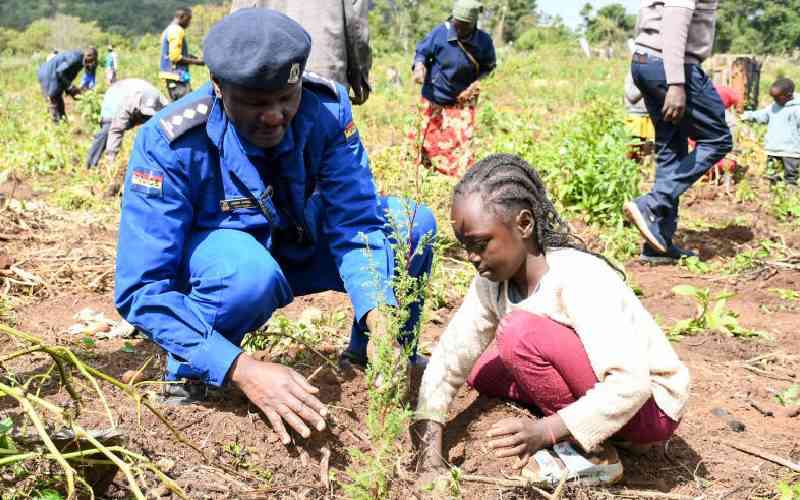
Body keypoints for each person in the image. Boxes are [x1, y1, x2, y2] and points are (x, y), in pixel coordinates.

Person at [114, 9, 436, 444]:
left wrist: (380, 318)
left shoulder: (324, 107)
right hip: (227, 270)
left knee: (408, 224)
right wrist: (241, 368)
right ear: (218, 88)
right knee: (247, 272)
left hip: (296, 244)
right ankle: (194, 369)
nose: (274, 116)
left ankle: (373, 361)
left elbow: (355, 220)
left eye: (287, 97)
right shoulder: (168, 143)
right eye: (255, 103)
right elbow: (142, 288)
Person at [412, 154, 689, 490]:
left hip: (648, 409)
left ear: (524, 224)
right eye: (465, 247)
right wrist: (429, 453)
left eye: (481, 244)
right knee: (481, 367)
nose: (472, 258)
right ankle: (575, 415)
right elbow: (448, 359)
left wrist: (547, 430)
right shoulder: (491, 283)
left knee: (517, 335)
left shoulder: (578, 278)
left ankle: (597, 454)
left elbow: (632, 384)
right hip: (599, 383)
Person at [624, 1, 733, 264]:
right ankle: (652, 202)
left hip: (648, 61)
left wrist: (641, 75)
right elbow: (674, 21)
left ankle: (657, 243)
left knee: (671, 149)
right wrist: (675, 83)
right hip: (672, 66)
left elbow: (646, 23)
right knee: (718, 139)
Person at [410, 0, 496, 176]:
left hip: (462, 98)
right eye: (457, 23)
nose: (459, 28)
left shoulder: (483, 41)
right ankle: (421, 169)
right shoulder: (441, 33)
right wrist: (419, 67)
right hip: (434, 94)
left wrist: (475, 85)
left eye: (464, 25)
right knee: (423, 137)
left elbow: (489, 67)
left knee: (459, 141)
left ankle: (454, 175)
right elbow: (422, 53)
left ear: (473, 24)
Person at [229, 0, 372, 105]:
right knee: (324, 138)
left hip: (269, 78)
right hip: (326, 77)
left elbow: (237, 21)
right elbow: (356, 27)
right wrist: (359, 78)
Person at [85, 79, 167, 196]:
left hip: (141, 96)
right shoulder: (128, 103)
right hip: (118, 93)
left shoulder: (163, 105)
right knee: (107, 130)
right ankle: (91, 166)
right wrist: (111, 157)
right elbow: (116, 130)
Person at [741, 78, 800, 186]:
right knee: (773, 176)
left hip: (791, 152)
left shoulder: (797, 108)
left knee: (790, 178)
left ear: (789, 95)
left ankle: (790, 198)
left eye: (778, 97)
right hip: (773, 150)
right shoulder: (774, 106)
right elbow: (761, 115)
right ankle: (775, 197)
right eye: (773, 98)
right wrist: (746, 115)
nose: (775, 100)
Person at [37, 47, 98, 122]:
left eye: (92, 61)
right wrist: (70, 87)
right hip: (49, 74)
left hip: (55, 75)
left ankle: (63, 124)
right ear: (86, 56)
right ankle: (55, 126)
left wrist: (77, 91)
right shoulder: (75, 58)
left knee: (60, 102)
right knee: (53, 100)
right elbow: (59, 72)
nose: (90, 64)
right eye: (90, 60)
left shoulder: (84, 61)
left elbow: (89, 76)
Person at [159, 7, 204, 101]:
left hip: (171, 76)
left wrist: (194, 57)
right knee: (188, 104)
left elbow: (174, 52)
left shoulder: (169, 29)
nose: (189, 23)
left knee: (178, 105)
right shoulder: (177, 30)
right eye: (189, 19)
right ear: (182, 17)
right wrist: (197, 62)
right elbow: (175, 57)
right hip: (178, 77)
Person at [623, 71, 655, 163]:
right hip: (636, 117)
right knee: (632, 151)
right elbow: (631, 96)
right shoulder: (632, 74)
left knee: (649, 152)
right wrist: (647, 85)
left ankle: (645, 173)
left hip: (650, 117)